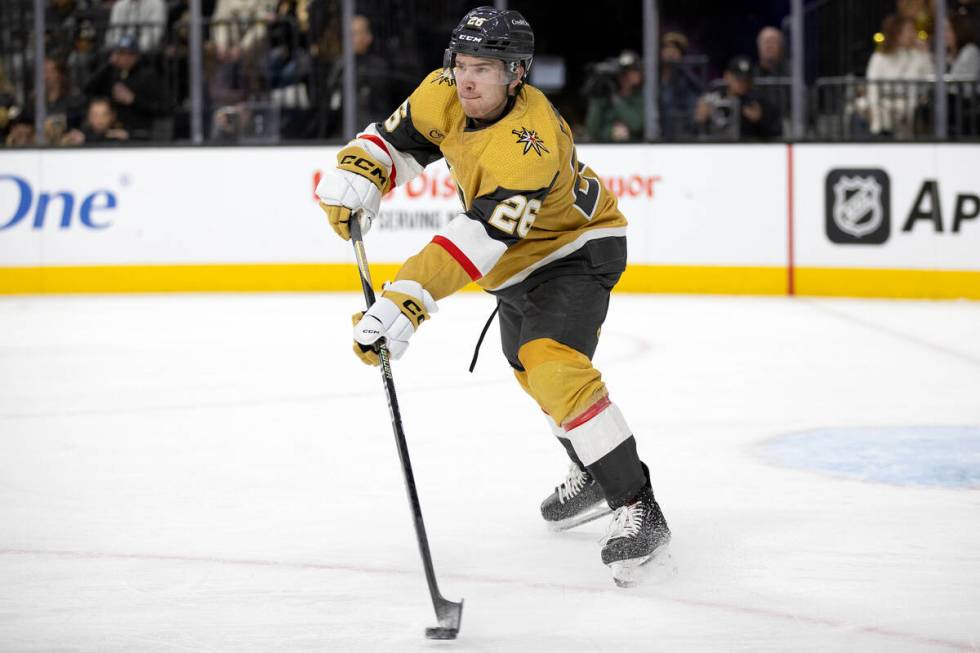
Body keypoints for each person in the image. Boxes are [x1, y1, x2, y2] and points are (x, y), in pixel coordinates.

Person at [314, 6, 670, 585]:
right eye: (461, 63)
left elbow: (479, 235)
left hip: (574, 252)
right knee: (533, 377)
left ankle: (638, 505)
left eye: (485, 67)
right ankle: (595, 467)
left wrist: (407, 297)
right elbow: (399, 142)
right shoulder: (444, 90)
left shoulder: (526, 145)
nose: (467, 78)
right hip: (515, 266)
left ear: (518, 74)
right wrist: (363, 169)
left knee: (553, 368)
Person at [83, 35, 170, 139]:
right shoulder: (111, 73)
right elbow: (88, 89)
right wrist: (109, 65)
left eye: (129, 54)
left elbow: (165, 107)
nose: (124, 58)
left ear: (136, 56)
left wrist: (133, 100)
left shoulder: (148, 76)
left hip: (139, 134)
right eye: (120, 53)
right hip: (111, 133)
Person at [865, 14, 933, 137]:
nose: (912, 34)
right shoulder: (880, 57)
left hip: (911, 106)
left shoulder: (918, 55)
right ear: (896, 33)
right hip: (885, 106)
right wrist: (874, 111)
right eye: (908, 30)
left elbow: (930, 78)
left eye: (913, 30)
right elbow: (872, 87)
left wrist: (925, 53)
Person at [695, 55, 782, 140]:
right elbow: (693, 134)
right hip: (716, 149)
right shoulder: (713, 99)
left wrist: (760, 120)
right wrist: (700, 120)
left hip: (749, 150)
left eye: (746, 79)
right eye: (738, 79)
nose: (742, 83)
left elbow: (777, 135)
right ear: (727, 76)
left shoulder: (758, 103)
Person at [584, 50, 645, 142]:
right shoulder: (605, 98)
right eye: (623, 72)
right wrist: (610, 132)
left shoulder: (642, 98)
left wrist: (615, 99)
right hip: (606, 148)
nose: (626, 76)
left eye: (631, 71)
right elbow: (592, 129)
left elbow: (637, 124)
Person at [659, 31, 701, 140]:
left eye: (676, 49)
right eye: (667, 47)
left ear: (681, 55)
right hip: (652, 139)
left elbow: (693, 118)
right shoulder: (651, 79)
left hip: (678, 142)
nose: (670, 52)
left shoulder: (688, 84)